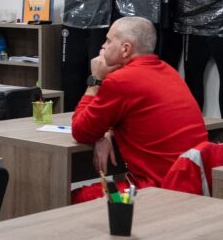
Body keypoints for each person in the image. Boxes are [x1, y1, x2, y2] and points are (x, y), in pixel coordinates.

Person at [70, 15, 207, 199]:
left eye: (108, 41)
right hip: (192, 186)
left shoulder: (120, 81)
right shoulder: (168, 71)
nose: (102, 46)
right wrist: (106, 132)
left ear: (125, 49)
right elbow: (129, 113)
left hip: (155, 192)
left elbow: (80, 131)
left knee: (77, 196)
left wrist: (95, 81)